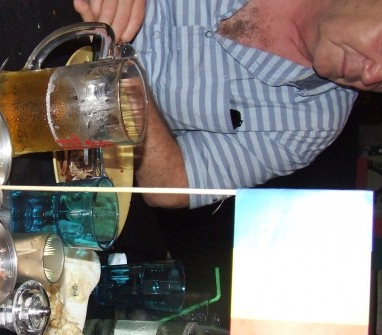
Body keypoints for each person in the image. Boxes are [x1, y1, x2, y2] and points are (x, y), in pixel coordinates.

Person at [73, 0, 382, 208]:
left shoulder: (314, 121)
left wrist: (124, 68)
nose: (370, 76)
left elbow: (171, 187)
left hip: (79, 113)